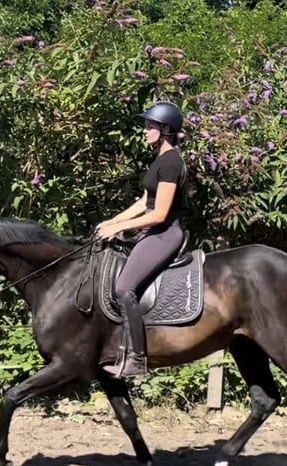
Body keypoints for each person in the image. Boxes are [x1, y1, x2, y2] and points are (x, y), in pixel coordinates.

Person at [95, 101, 188, 377]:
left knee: (124, 289)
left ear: (166, 130)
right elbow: (145, 201)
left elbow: (158, 214)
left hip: (165, 233)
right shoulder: (160, 160)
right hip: (154, 231)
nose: (145, 131)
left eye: (150, 126)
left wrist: (121, 227)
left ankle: (137, 359)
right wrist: (113, 222)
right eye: (146, 126)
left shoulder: (171, 162)